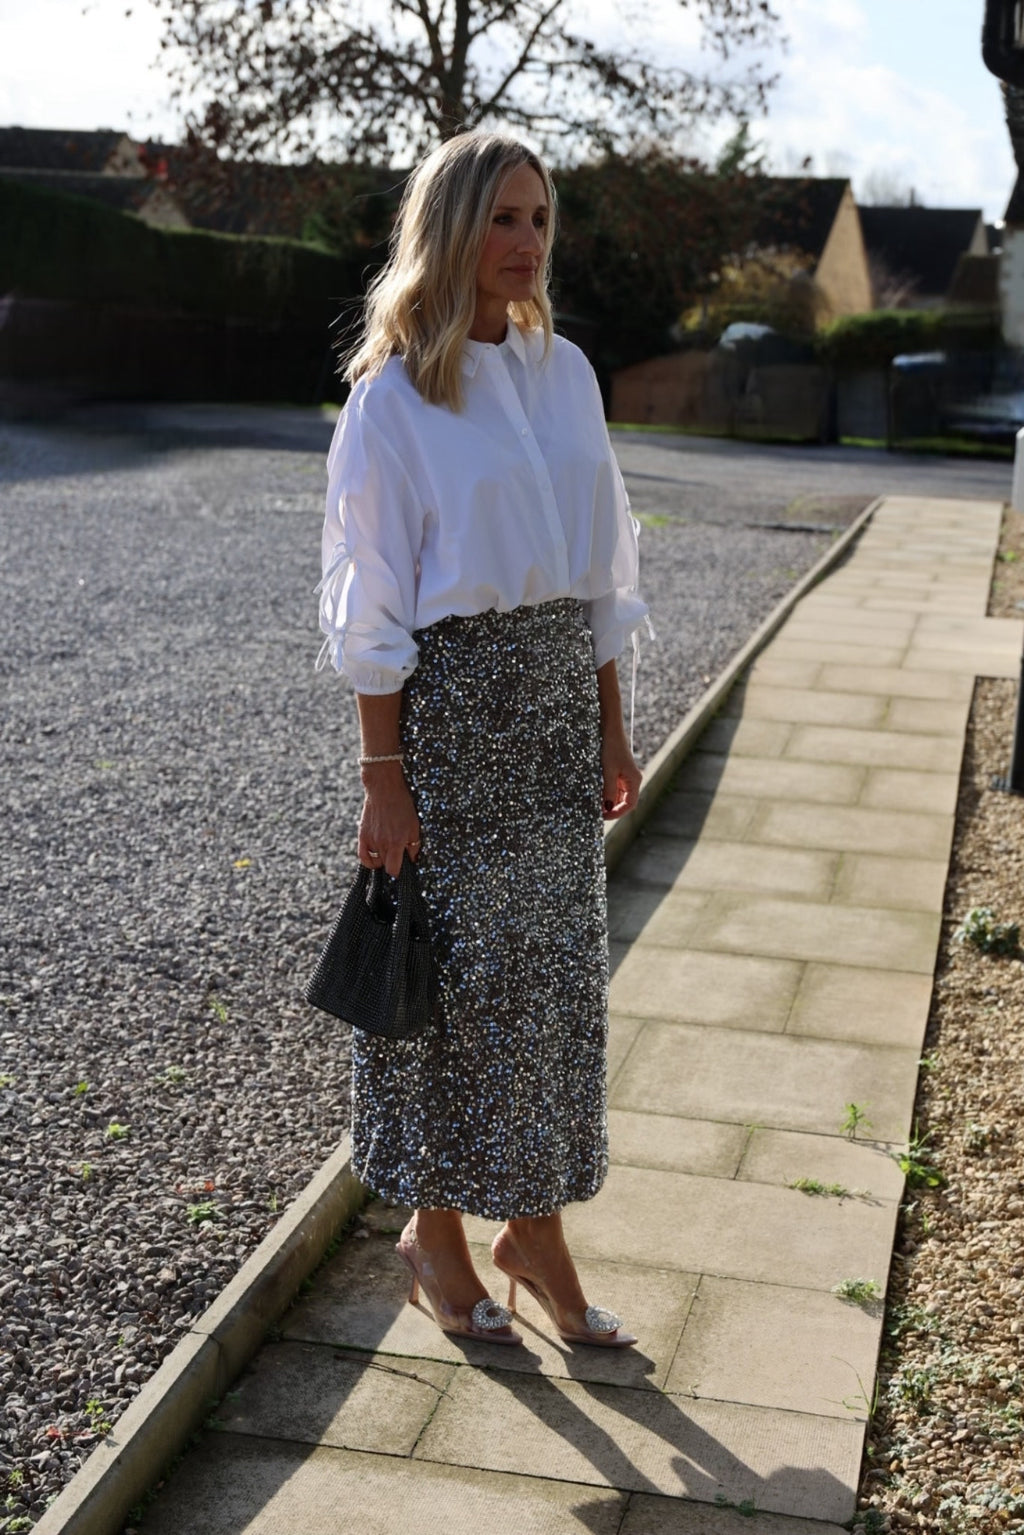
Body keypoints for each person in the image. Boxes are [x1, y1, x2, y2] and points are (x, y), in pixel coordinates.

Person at [317, 131, 649, 1349]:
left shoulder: (567, 373)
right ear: (452, 229)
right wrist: (382, 780)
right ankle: (440, 1232)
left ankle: (536, 1226)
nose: (525, 243)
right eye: (503, 218)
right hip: (450, 725)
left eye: (540, 220)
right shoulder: (394, 394)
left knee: (553, 995)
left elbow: (603, 568)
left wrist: (613, 723)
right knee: (447, 998)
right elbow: (372, 602)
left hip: (558, 708)